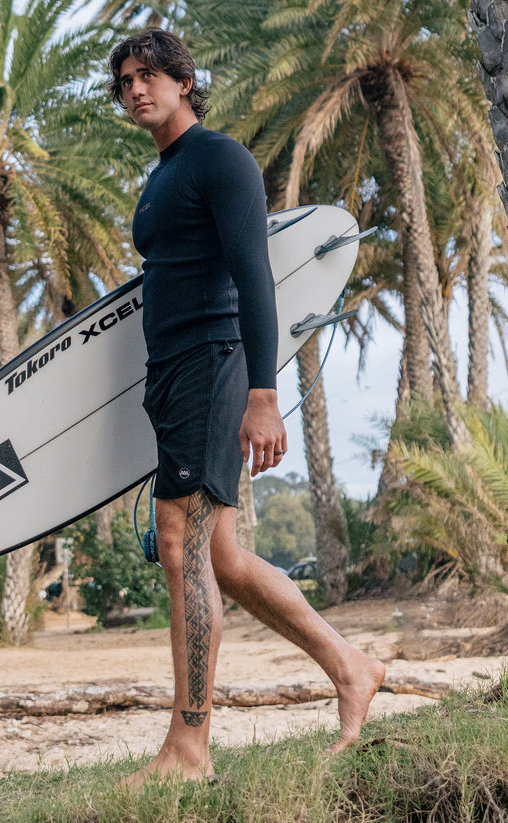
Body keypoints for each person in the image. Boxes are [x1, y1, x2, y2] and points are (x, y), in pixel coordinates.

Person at [107, 28, 386, 787]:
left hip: (212, 362)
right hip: (172, 372)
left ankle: (188, 747)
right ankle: (351, 667)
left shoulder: (218, 159)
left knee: (180, 544)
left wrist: (264, 394)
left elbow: (254, 277)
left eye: (148, 75)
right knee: (221, 557)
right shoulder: (163, 174)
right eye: (125, 80)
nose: (136, 89)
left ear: (183, 81)